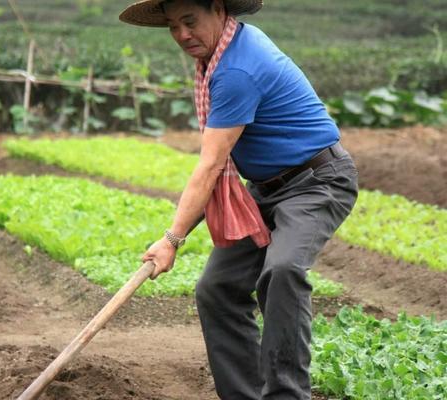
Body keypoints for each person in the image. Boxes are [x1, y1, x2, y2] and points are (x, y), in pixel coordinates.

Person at [119, 1, 359, 399]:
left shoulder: (235, 70)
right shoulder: (225, 51)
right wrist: (172, 238)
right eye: (173, 26)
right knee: (217, 288)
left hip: (318, 181)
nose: (182, 35)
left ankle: (286, 394)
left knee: (282, 272)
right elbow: (216, 170)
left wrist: (172, 240)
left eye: (190, 21)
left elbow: (211, 166)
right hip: (266, 189)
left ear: (217, 8)